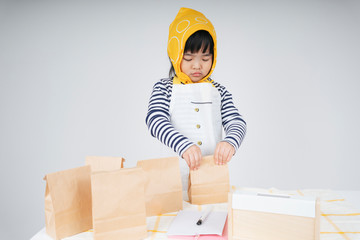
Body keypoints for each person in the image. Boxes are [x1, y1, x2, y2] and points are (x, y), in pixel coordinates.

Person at [146, 7, 246, 188]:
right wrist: (183, 145)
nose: (197, 65)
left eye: (205, 58)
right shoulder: (164, 88)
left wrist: (230, 142)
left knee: (213, 214)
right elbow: (155, 121)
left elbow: (237, 122)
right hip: (172, 181)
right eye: (189, 58)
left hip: (211, 178)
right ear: (175, 56)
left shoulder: (220, 91)